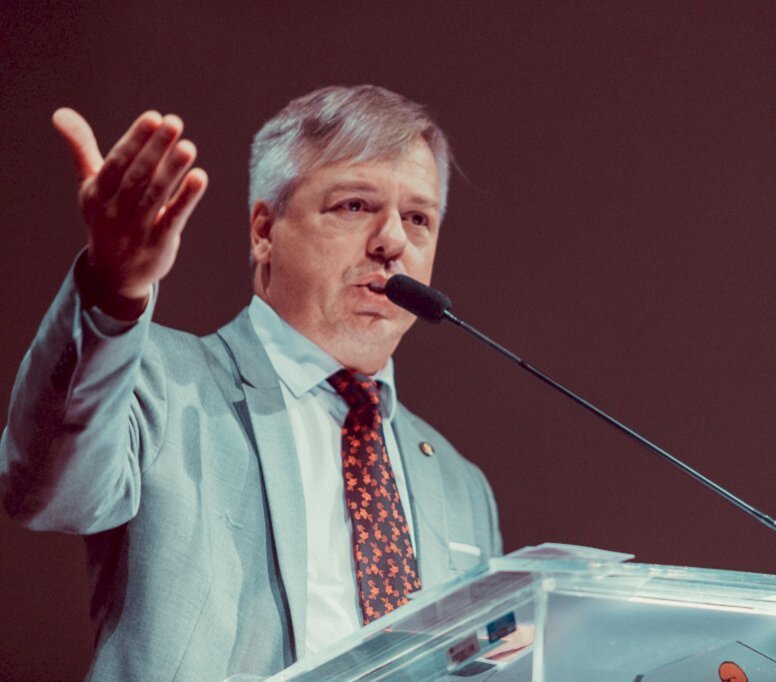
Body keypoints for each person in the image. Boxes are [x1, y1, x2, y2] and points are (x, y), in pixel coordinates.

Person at [0, 85, 502, 680]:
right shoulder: (157, 381)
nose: (393, 240)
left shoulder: (461, 485)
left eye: (418, 218)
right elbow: (44, 491)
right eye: (354, 206)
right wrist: (113, 290)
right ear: (264, 230)